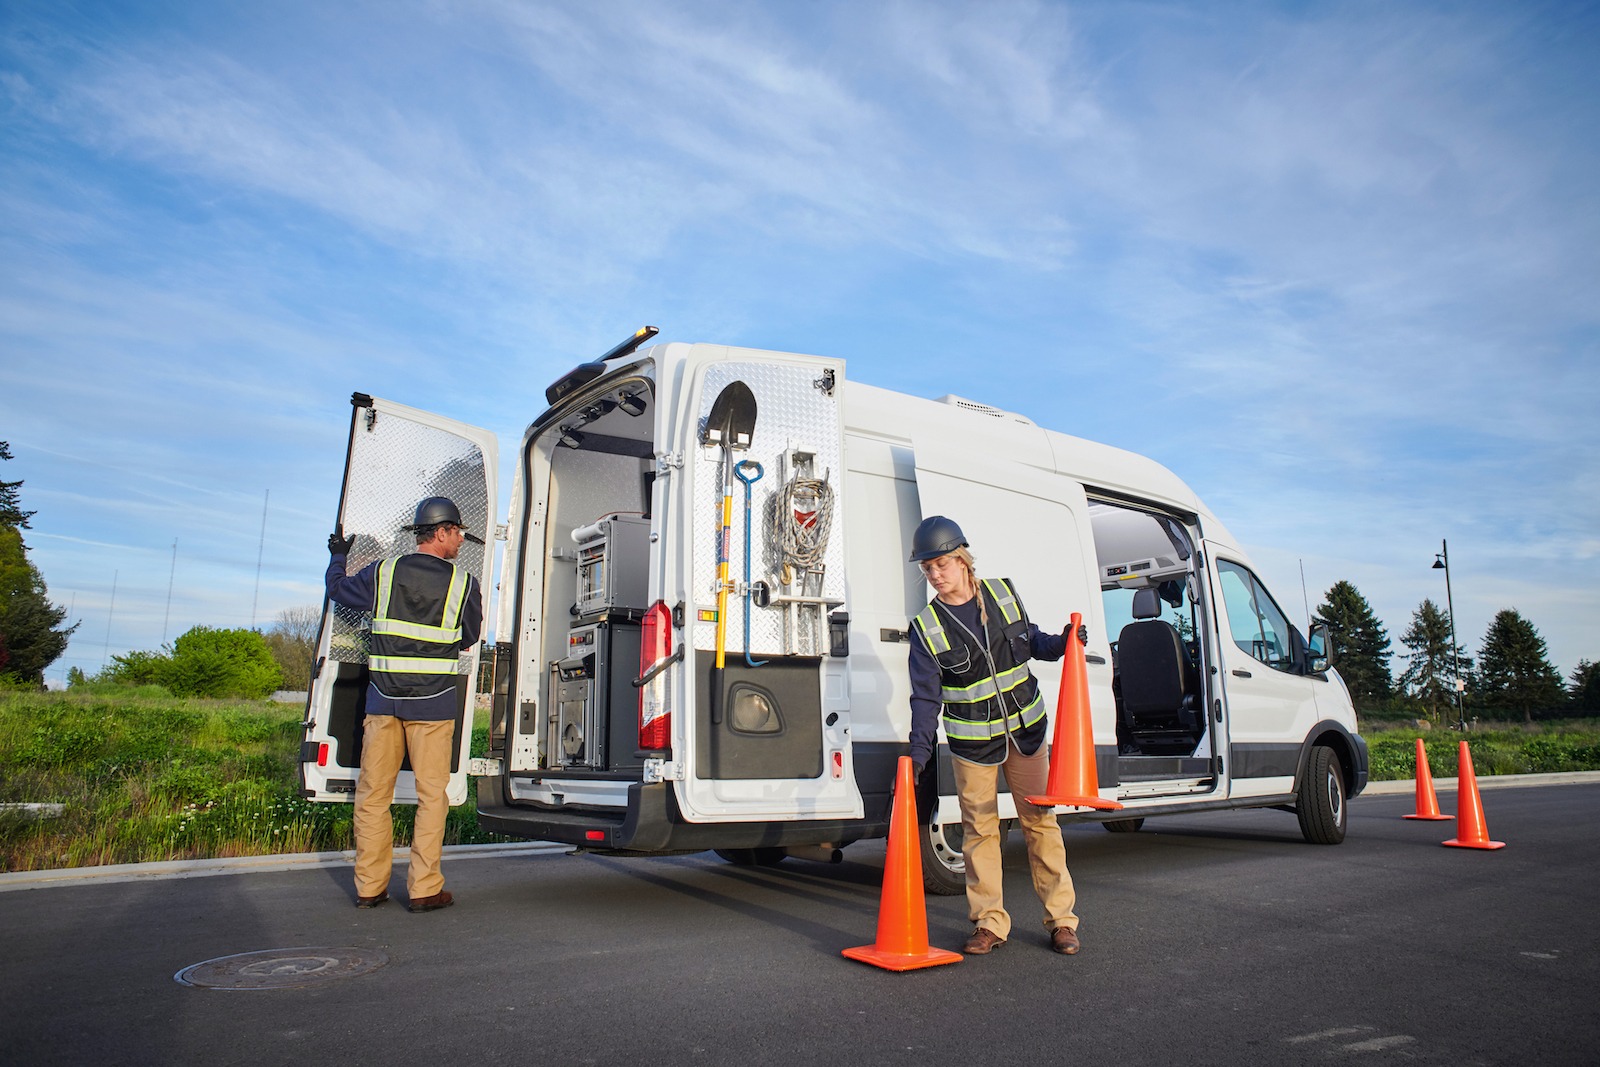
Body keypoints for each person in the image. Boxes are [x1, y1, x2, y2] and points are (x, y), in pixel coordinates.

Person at [906, 515, 1082, 956]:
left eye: (941, 564)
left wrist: (1063, 643)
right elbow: (925, 698)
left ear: (962, 559)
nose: (935, 575)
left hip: (1026, 733)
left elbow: (1031, 642)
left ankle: (1062, 921)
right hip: (973, 746)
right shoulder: (926, 627)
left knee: (1040, 824)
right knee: (979, 833)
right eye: (927, 568)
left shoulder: (1002, 594)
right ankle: (989, 923)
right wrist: (918, 753)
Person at [326, 496, 483, 913]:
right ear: (442, 532)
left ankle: (369, 887)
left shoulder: (383, 571)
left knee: (372, 796)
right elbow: (469, 636)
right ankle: (424, 889)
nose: (461, 540)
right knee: (432, 798)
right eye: (458, 532)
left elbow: (338, 591)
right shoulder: (464, 584)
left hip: (383, 703)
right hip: (432, 707)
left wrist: (339, 556)